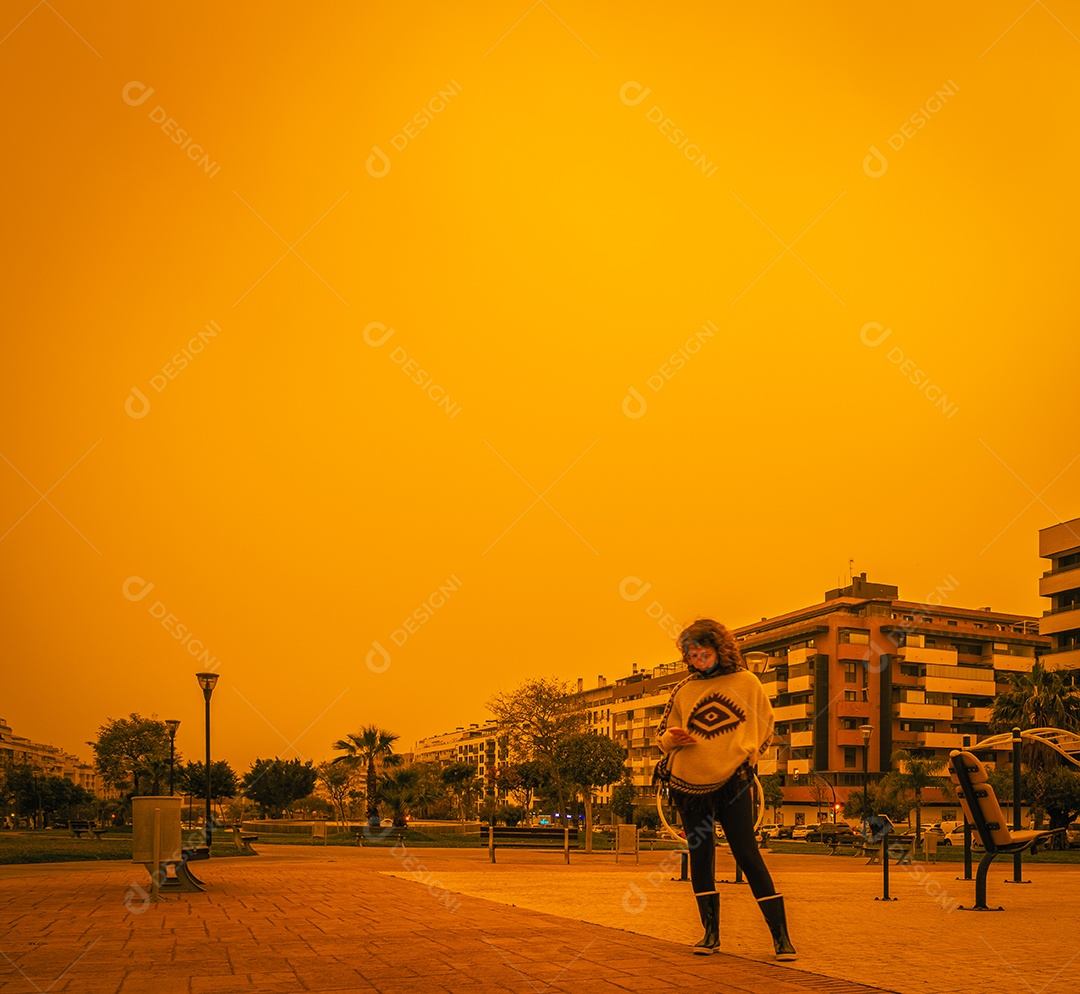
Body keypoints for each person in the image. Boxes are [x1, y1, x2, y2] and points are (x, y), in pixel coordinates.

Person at [655, 619, 796, 960]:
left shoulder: (747, 682)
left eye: (704, 654)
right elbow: (664, 734)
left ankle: (781, 937)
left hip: (734, 780)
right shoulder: (683, 690)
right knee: (701, 857)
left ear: (721, 650)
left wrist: (750, 756)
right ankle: (710, 934)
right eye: (692, 656)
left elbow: (765, 725)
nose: (699, 661)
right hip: (687, 784)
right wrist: (671, 739)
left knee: (747, 854)